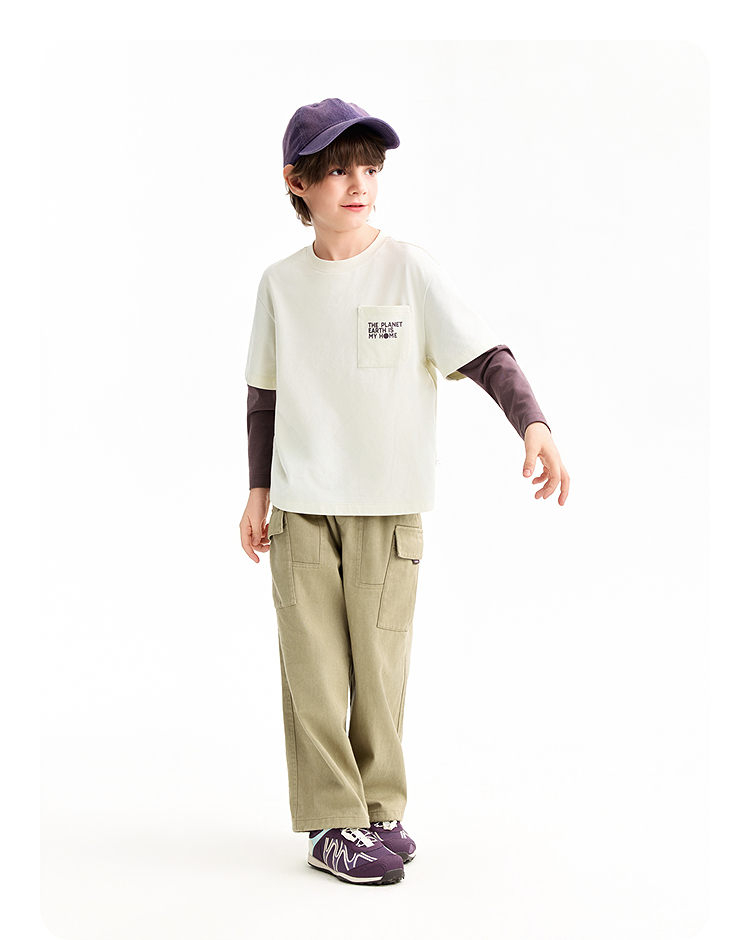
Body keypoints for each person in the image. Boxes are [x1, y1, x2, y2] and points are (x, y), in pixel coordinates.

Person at [239, 98, 570, 887]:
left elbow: (485, 354)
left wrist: (532, 422)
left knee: (382, 669)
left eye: (369, 168)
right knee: (315, 672)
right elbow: (264, 396)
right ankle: (333, 821)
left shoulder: (410, 270)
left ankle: (378, 806)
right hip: (301, 511)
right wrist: (257, 491)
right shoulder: (280, 285)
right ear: (297, 182)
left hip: (388, 510)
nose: (359, 183)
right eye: (337, 170)